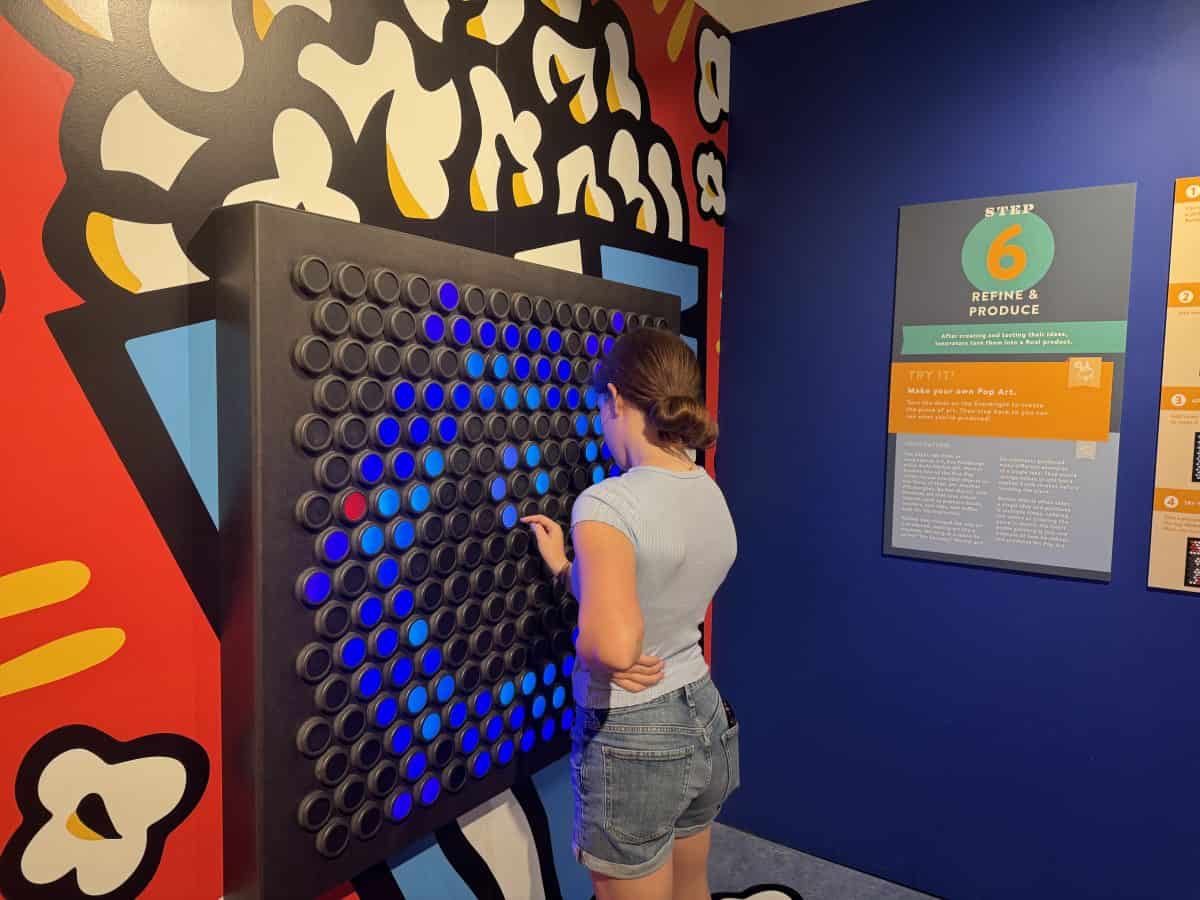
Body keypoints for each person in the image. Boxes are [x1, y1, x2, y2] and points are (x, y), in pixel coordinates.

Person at [522, 326, 739, 900]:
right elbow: (650, 580)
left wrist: (606, 650)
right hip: (702, 712)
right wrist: (566, 568)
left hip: (635, 734)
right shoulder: (704, 485)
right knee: (691, 887)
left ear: (615, 399)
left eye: (600, 408)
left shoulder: (607, 503)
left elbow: (614, 644)